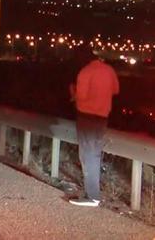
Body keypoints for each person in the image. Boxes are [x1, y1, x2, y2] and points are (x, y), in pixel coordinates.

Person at [68, 47, 119, 207]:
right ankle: (93, 193)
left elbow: (81, 97)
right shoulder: (109, 70)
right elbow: (116, 90)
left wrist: (73, 93)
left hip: (87, 118)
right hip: (102, 118)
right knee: (95, 155)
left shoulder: (85, 72)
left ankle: (92, 197)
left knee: (87, 155)